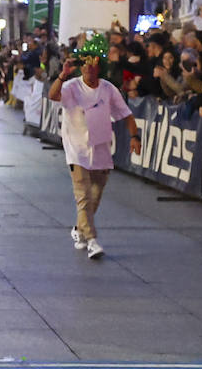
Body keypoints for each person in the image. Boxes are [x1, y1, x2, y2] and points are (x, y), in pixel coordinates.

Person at [48, 53, 141, 260]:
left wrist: (135, 136)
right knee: (83, 196)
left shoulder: (108, 89)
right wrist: (62, 75)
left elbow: (126, 114)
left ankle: (79, 229)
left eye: (94, 66)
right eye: (86, 66)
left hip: (101, 148)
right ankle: (91, 241)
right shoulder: (72, 87)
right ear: (81, 68)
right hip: (77, 150)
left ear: (100, 68)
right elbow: (53, 95)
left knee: (95, 196)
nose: (89, 69)